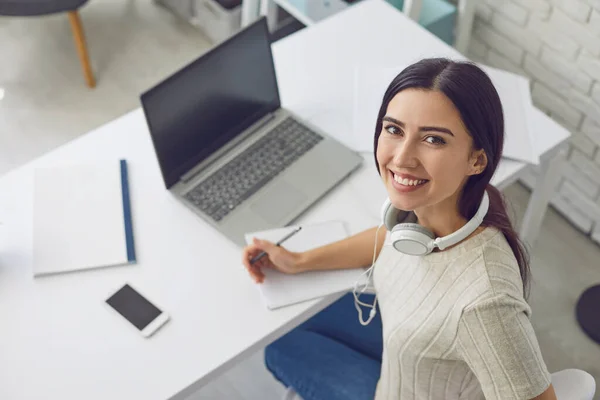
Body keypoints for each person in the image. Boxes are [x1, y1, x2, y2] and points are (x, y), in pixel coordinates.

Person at [241, 58, 557, 400]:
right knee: (289, 328)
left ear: (477, 160)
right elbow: (387, 238)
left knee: (279, 350)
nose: (402, 158)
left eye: (434, 139)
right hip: (405, 348)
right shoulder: (436, 214)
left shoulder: (484, 305)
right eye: (394, 129)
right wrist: (299, 261)